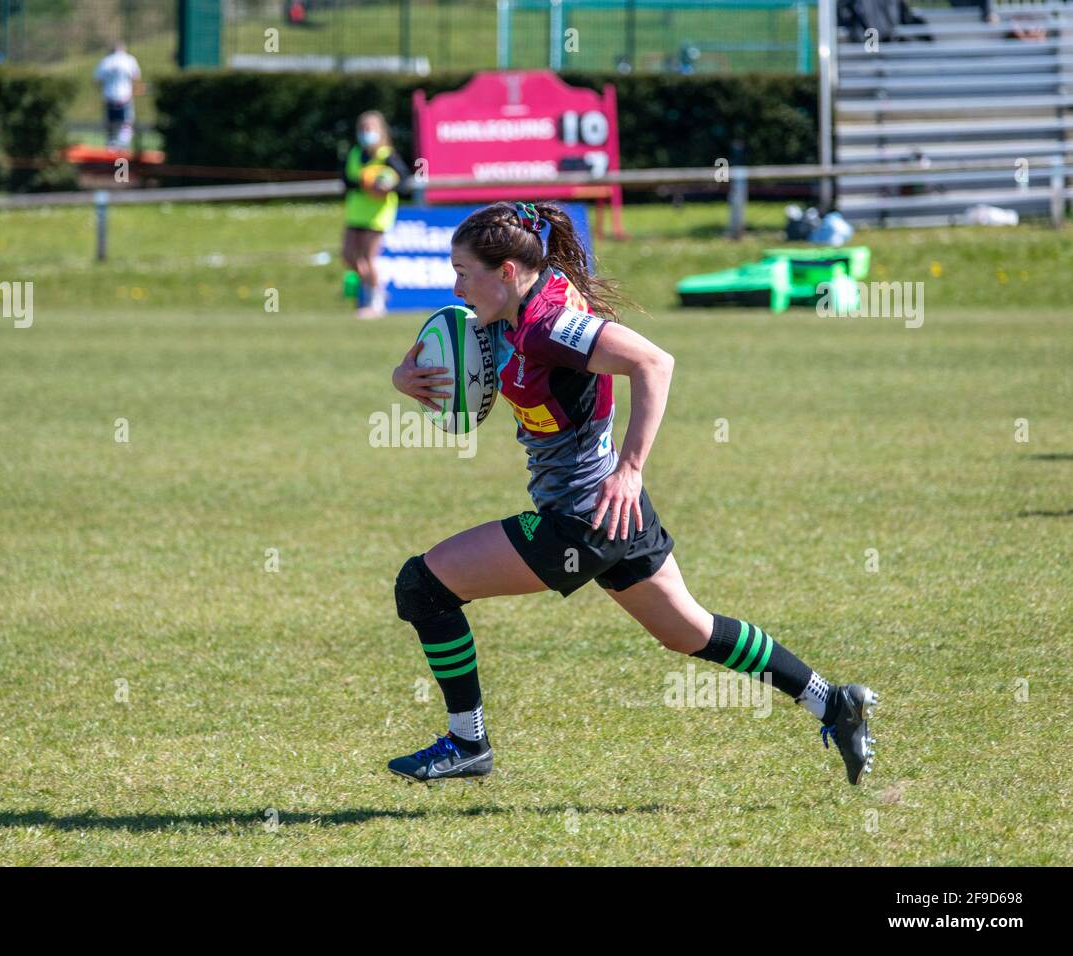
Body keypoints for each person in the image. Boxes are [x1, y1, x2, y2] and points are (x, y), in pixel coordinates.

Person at [386, 200, 878, 785]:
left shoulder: (549, 325)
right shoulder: (509, 313)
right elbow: (474, 376)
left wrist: (632, 467)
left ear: (507, 273)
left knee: (424, 587)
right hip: (616, 516)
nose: (455, 284)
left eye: (462, 272)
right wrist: (405, 378)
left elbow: (654, 362)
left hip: (584, 517)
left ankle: (467, 743)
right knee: (689, 632)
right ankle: (832, 702)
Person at [342, 110, 412, 320]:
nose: (366, 133)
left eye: (369, 129)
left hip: (377, 214)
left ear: (380, 131)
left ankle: (375, 302)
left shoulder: (387, 155)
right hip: (355, 211)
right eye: (362, 129)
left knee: (369, 257)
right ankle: (374, 287)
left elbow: (403, 180)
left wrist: (385, 185)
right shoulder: (355, 153)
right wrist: (365, 183)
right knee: (348, 255)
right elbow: (346, 180)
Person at [94, 42, 143, 149]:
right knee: (126, 122)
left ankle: (111, 144)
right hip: (125, 96)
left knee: (110, 123)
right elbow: (136, 77)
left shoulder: (105, 61)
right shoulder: (129, 60)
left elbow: (97, 79)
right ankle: (122, 145)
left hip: (109, 96)